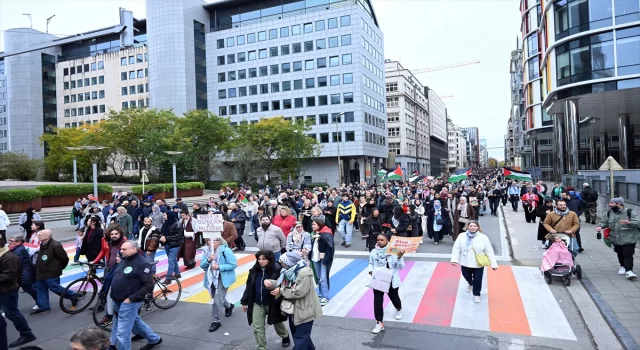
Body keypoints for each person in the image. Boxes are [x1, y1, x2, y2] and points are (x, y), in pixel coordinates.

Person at [109, 241, 163, 350]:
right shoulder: (124, 260)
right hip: (117, 300)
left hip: (129, 302)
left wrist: (131, 299)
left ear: (134, 249)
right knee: (132, 322)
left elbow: (148, 285)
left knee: (123, 332)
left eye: (124, 249)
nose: (121, 251)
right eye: (121, 249)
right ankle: (154, 339)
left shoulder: (142, 263)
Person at [266, 252, 322, 349]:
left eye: (283, 262)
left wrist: (280, 291)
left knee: (300, 336)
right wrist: (271, 283)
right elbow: (283, 284)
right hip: (293, 309)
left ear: (289, 262)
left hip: (305, 309)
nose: (281, 264)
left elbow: (299, 292)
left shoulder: (304, 273)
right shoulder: (288, 272)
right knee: (299, 334)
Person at [240, 250, 290, 350]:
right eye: (259, 259)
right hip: (257, 303)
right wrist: (244, 301)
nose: (261, 261)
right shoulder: (254, 270)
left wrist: (278, 290)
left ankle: (285, 336)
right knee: (258, 328)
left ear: (270, 259)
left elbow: (285, 285)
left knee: (277, 323)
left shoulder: (278, 270)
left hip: (272, 303)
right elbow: (249, 286)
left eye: (264, 259)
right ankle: (261, 348)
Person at [0, 236, 37, 348]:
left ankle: (27, 334)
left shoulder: (9, 257)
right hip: (3, 289)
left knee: (12, 313)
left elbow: (9, 276)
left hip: (7, 290)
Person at [31, 229, 78, 315]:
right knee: (40, 288)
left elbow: (64, 259)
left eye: (40, 235)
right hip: (41, 271)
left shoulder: (55, 245)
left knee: (54, 287)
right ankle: (44, 307)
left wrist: (58, 268)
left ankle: (72, 295)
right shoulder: (43, 244)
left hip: (51, 272)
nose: (38, 236)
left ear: (47, 236)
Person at [450, 221, 498, 303]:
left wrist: (493, 264)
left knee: (478, 279)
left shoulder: (483, 238)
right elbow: (456, 248)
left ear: (478, 227)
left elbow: (489, 251)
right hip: (465, 262)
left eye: (474, 226)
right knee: (466, 276)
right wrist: (454, 260)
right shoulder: (462, 236)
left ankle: (476, 294)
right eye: (471, 226)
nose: (472, 227)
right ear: (467, 227)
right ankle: (470, 283)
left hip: (478, 263)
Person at [368, 232, 405, 334]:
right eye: (378, 240)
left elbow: (401, 267)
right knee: (378, 301)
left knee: (394, 297)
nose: (379, 242)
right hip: (379, 279)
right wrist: (371, 271)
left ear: (388, 241)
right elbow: (370, 263)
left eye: (382, 240)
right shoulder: (374, 251)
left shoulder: (394, 250)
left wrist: (399, 257)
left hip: (391, 279)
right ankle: (379, 322)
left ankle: (398, 308)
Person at [201, 237, 237, 332]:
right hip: (211, 278)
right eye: (209, 240)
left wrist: (219, 267)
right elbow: (202, 265)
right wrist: (209, 260)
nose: (210, 242)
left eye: (213, 240)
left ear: (219, 242)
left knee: (217, 301)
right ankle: (229, 306)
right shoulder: (206, 251)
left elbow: (233, 265)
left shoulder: (226, 251)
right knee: (217, 297)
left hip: (222, 278)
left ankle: (216, 321)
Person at [597, 197, 639, 280]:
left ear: (619, 204)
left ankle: (629, 271)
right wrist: (600, 227)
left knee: (627, 253)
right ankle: (622, 266)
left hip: (629, 237)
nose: (609, 204)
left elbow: (638, 222)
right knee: (619, 252)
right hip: (615, 238)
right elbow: (604, 222)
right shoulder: (609, 213)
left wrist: (629, 222)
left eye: (612, 203)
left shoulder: (630, 212)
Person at [7, 236, 39, 308]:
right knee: (15, 292)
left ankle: (40, 302)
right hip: (22, 273)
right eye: (9, 240)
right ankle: (11, 308)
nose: (9, 242)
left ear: (18, 242)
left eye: (11, 241)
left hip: (24, 274)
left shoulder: (18, 251)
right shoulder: (15, 249)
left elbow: (14, 262)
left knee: (29, 289)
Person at [310, 218, 334, 306]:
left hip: (324, 259)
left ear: (319, 225)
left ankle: (325, 297)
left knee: (323, 278)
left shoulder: (326, 234)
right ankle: (321, 293)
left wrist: (326, 260)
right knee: (318, 277)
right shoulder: (313, 234)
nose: (312, 226)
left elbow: (329, 248)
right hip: (315, 257)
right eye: (312, 224)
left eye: (314, 224)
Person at [160, 211, 182, 284]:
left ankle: (168, 278)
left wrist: (166, 238)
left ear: (169, 215)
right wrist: (162, 237)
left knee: (171, 261)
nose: (164, 216)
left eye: (165, 215)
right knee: (172, 260)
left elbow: (178, 236)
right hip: (167, 244)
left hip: (174, 245)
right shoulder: (166, 223)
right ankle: (177, 273)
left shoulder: (177, 224)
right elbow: (162, 232)